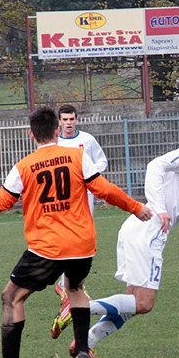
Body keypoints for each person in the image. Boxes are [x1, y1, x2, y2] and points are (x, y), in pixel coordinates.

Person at [49, 112, 179, 358]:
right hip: (148, 233)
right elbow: (155, 165)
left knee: (132, 304)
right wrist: (160, 208)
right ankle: (78, 308)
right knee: (144, 304)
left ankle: (88, 342)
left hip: (137, 230)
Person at [0, 106, 152, 358]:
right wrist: (136, 207)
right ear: (58, 131)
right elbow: (104, 190)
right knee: (75, 289)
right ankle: (82, 351)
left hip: (46, 248)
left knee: (12, 297)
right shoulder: (78, 157)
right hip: (82, 244)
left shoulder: (23, 166)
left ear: (31, 135)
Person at [54, 104, 109, 298]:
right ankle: (67, 285)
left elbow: (102, 161)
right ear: (59, 122)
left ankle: (72, 284)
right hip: (63, 199)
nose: (68, 123)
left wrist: (89, 174)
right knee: (65, 238)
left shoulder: (87, 140)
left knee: (83, 238)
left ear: (77, 120)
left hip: (85, 197)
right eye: (65, 120)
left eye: (71, 119)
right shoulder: (55, 143)